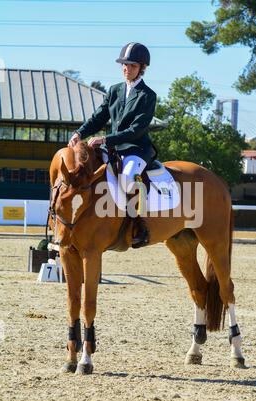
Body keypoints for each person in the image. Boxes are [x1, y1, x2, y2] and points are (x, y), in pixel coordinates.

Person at [68, 42, 157, 248]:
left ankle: (139, 224)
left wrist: (106, 139)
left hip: (136, 149)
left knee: (126, 178)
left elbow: (136, 130)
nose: (127, 69)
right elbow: (99, 118)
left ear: (142, 68)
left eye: (132, 65)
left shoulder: (147, 95)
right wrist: (79, 132)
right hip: (114, 149)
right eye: (124, 65)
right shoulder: (115, 90)